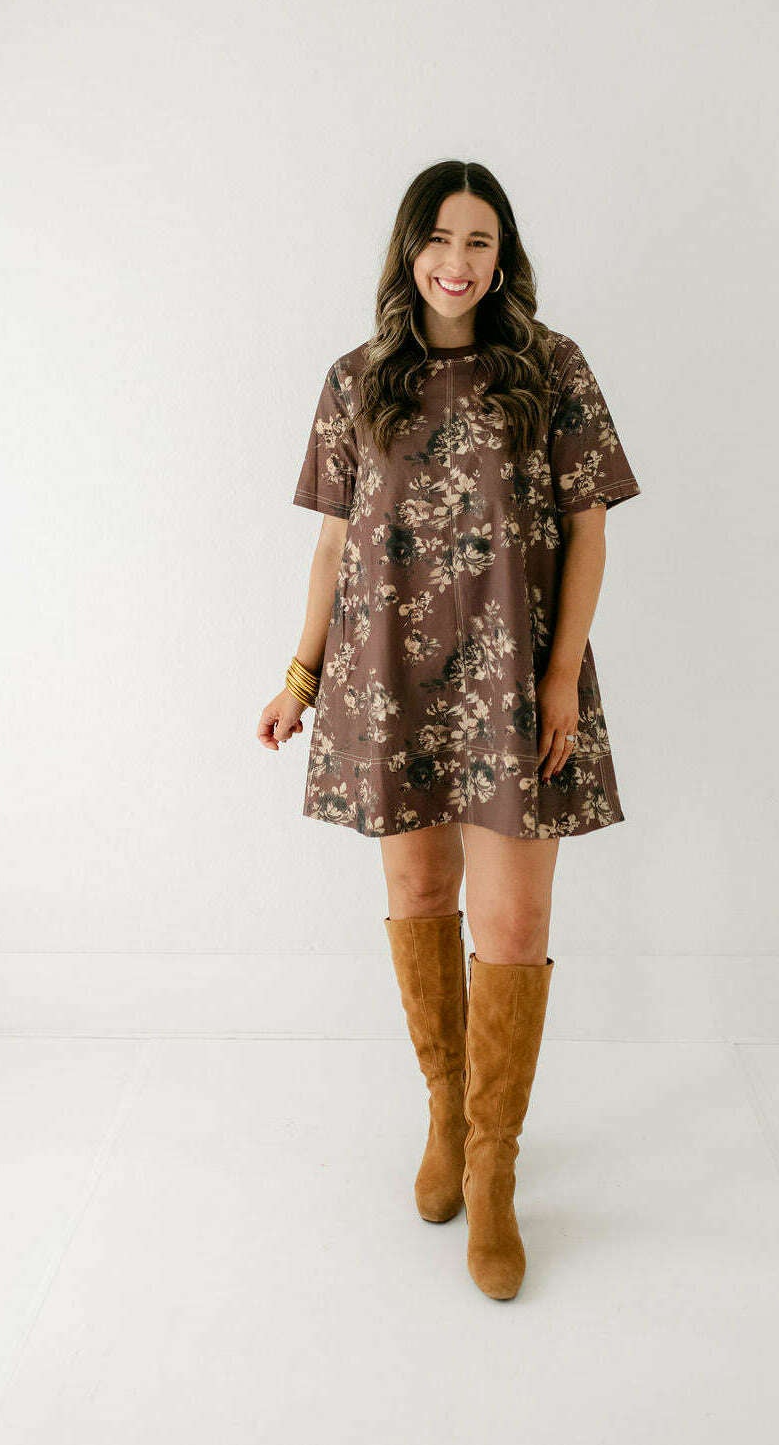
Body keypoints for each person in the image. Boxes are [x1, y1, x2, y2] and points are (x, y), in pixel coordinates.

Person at [256, 160, 641, 1300]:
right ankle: (444, 1115)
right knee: (420, 896)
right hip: (388, 688)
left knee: (512, 924)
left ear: (502, 254)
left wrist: (561, 676)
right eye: (438, 238)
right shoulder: (356, 380)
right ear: (408, 249)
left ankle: (494, 1164)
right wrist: (300, 675)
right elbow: (333, 544)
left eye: (478, 240)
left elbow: (588, 528)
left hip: (516, 684)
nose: (456, 262)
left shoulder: (551, 367)